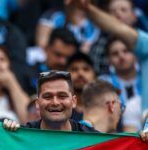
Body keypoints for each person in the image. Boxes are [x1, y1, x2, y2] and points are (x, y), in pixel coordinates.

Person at [65, 0, 148, 141]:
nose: (121, 56)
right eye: (115, 53)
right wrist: (88, 8)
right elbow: (119, 29)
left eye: (125, 51)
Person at [24, 70, 97, 132]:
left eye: (62, 96)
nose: (55, 103)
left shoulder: (93, 140)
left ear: (73, 101)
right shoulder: (21, 135)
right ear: (37, 103)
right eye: (48, 97)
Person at [66, 51, 96, 120]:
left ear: (94, 75)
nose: (80, 73)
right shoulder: (59, 109)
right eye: (74, 69)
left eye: (86, 69)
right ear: (66, 76)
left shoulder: (105, 109)